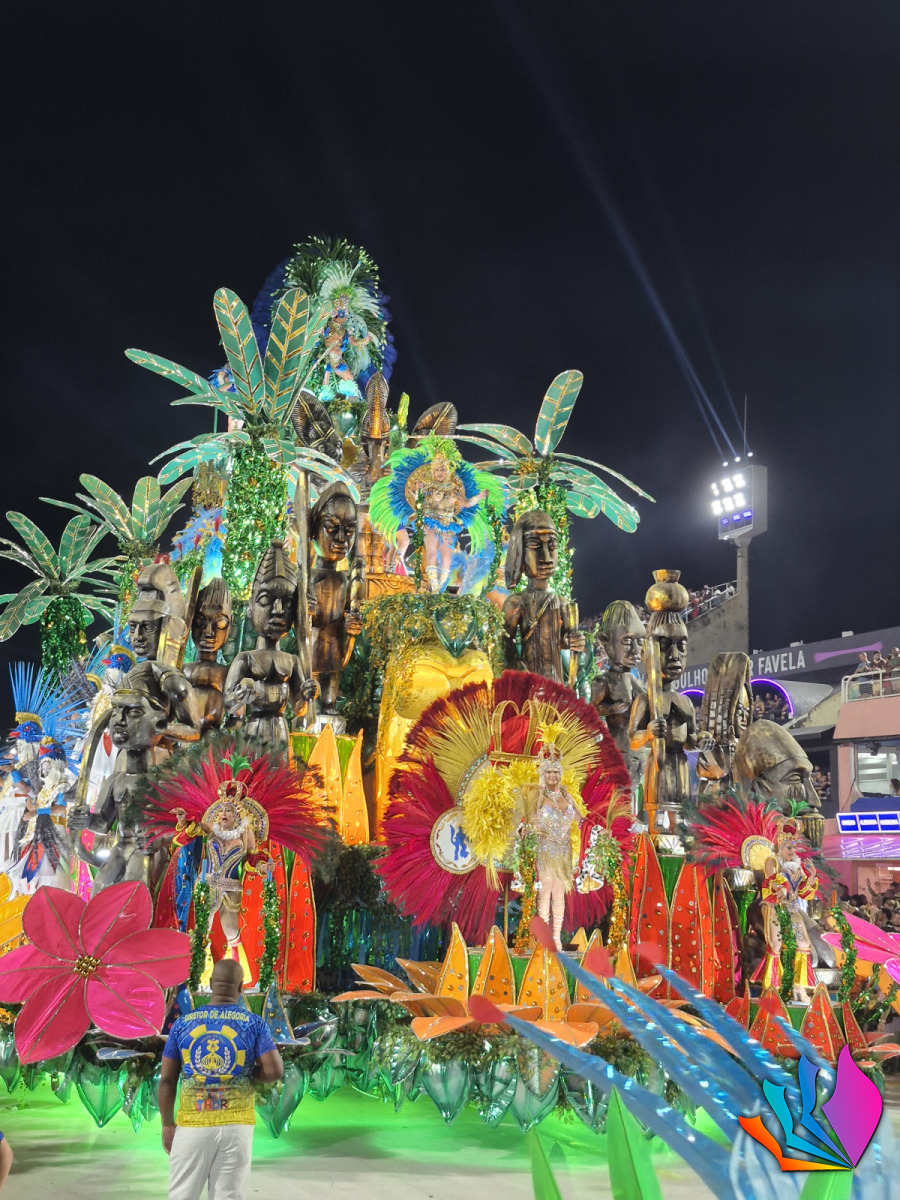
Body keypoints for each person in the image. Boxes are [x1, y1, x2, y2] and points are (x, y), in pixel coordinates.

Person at [159, 959, 283, 1200]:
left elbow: (166, 1080)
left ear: (210, 983)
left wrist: (167, 1124)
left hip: (193, 1124)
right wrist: (251, 1074)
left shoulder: (183, 1024)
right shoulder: (254, 1024)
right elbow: (275, 1071)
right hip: (237, 1126)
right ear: (241, 988)